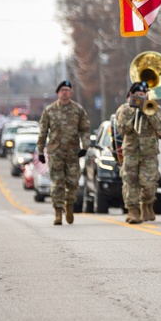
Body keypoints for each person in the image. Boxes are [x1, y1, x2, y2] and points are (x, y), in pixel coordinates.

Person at [113, 81, 161, 225]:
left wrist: (148, 112)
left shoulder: (154, 108)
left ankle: (147, 204)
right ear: (130, 96)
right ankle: (133, 210)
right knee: (130, 181)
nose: (140, 97)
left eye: (142, 95)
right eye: (136, 95)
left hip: (149, 153)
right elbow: (122, 129)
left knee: (149, 183)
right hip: (131, 152)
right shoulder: (124, 110)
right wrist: (134, 113)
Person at [37, 80, 91, 226]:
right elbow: (43, 132)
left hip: (73, 153)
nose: (65, 93)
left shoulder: (78, 110)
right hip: (56, 153)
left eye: (67, 90)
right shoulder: (49, 110)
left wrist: (84, 147)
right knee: (57, 183)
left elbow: (85, 129)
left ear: (71, 93)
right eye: (62, 90)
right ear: (57, 93)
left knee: (73, 183)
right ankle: (58, 212)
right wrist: (40, 151)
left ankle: (69, 205)